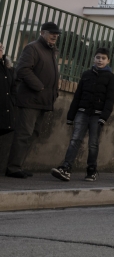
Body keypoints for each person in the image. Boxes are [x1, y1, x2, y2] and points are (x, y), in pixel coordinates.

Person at [51, 47, 114, 182]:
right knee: (75, 140)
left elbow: (110, 99)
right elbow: (78, 95)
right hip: (82, 112)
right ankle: (66, 168)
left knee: (93, 143)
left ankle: (91, 170)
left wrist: (104, 117)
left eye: (103, 58)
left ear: (108, 61)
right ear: (94, 58)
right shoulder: (86, 74)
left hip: (97, 115)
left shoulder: (110, 77)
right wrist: (70, 116)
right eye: (98, 57)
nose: (100, 60)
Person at [5, 22, 60, 178]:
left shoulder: (51, 51)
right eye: (51, 33)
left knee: (33, 133)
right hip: (31, 99)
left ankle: (18, 166)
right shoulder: (33, 47)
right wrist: (40, 87)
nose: (55, 36)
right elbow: (22, 69)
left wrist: (54, 93)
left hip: (43, 101)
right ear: (42, 32)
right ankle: (13, 168)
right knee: (24, 133)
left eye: (57, 34)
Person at [1, 42, 17, 136]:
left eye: (1, 47)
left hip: (4, 111)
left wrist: (12, 101)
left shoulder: (8, 68)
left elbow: (13, 87)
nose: (1, 49)